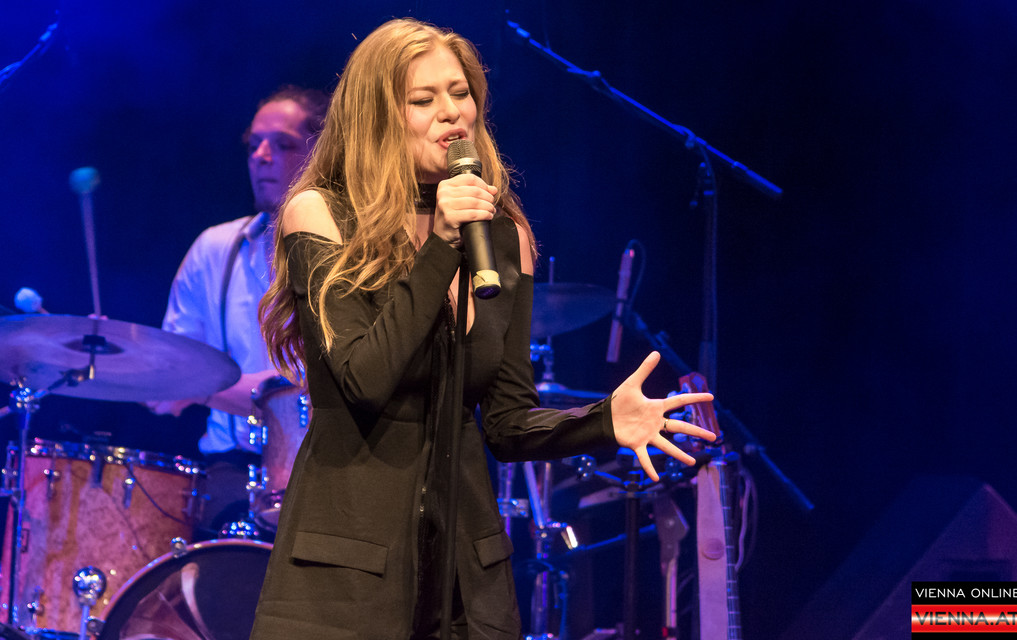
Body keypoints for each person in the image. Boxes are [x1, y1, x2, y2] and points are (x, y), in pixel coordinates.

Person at [249, 18, 716, 640]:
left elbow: (507, 422)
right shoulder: (322, 215)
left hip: (466, 578)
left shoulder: (504, 237)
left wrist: (605, 422)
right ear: (377, 116)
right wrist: (441, 245)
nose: (452, 113)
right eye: (423, 99)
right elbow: (364, 379)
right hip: (347, 573)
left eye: (461, 93)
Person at [148, 86, 329, 538]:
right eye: (254, 144)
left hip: (326, 470)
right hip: (229, 475)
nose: (262, 156)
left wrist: (200, 387)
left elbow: (311, 387)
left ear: (322, 153)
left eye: (283, 144)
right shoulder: (214, 249)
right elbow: (167, 382)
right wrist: (117, 358)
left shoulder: (349, 252)